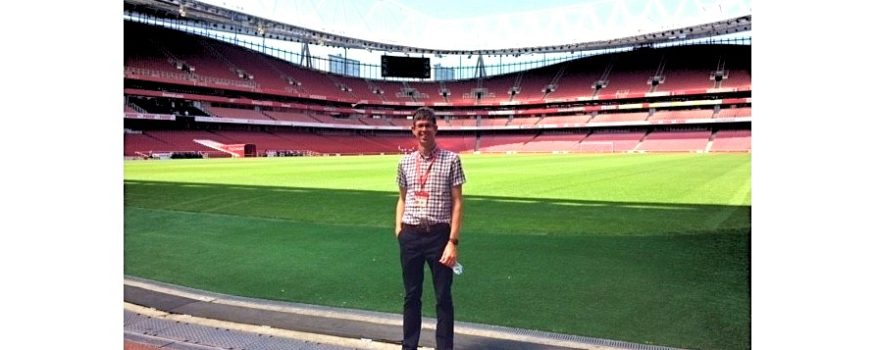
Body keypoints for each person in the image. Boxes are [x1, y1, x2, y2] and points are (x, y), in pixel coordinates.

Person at [395, 107, 465, 350]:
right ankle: (409, 345)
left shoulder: (452, 160)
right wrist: (399, 231)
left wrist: (452, 241)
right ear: (413, 130)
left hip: (439, 237)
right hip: (411, 235)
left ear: (436, 128)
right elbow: (402, 198)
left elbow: (457, 202)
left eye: (428, 125)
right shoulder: (404, 162)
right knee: (411, 296)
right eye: (419, 126)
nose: (424, 129)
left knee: (443, 297)